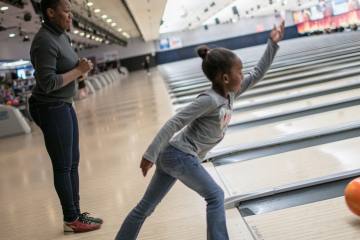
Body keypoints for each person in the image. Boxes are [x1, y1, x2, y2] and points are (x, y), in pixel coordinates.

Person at [115, 20, 285, 240]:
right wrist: (151, 153)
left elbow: (258, 73)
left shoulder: (230, 93)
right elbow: (174, 122)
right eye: (239, 72)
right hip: (179, 155)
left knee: (145, 207)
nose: (243, 76)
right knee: (215, 195)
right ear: (225, 78)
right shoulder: (209, 100)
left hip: (173, 155)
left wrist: (272, 43)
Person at [28, 0, 103, 233]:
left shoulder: (62, 36)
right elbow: (48, 83)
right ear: (51, 12)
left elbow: (68, 69)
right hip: (50, 107)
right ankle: (70, 219)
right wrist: (78, 71)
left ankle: (76, 214)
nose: (71, 16)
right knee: (63, 166)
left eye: (71, 11)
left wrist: (80, 74)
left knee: (72, 163)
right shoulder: (43, 41)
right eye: (66, 11)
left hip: (64, 104)